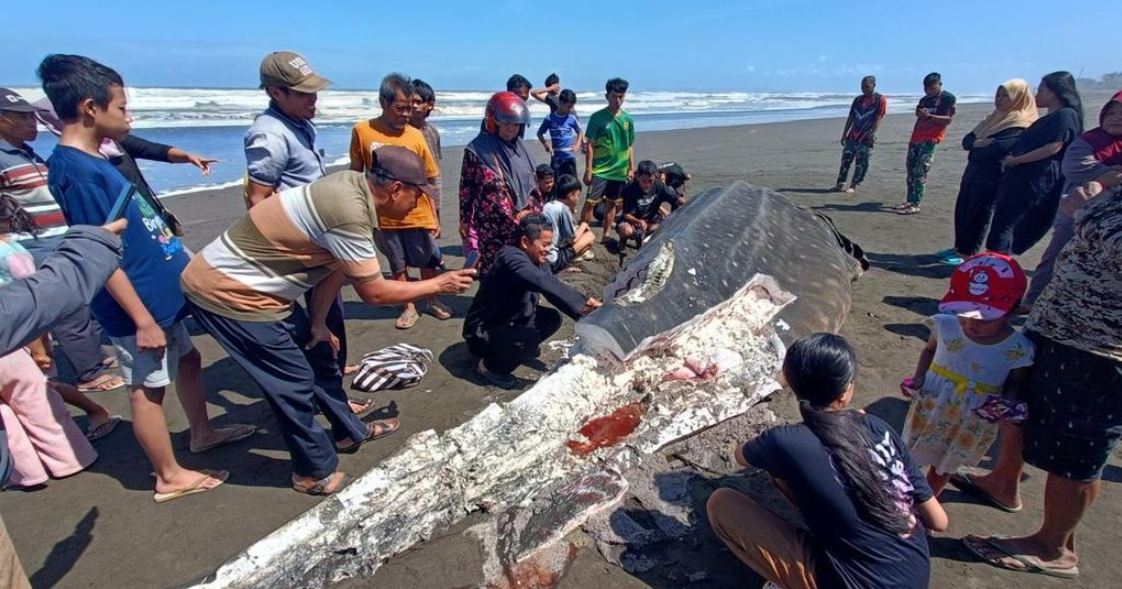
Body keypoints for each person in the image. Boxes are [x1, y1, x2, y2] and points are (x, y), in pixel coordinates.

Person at [182, 147, 475, 495]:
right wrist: (438, 284)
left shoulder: (354, 189)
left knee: (319, 352)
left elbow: (335, 265)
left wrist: (319, 323)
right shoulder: (349, 211)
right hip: (229, 292)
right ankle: (312, 472)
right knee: (292, 380)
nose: (418, 204)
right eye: (416, 195)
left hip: (262, 289)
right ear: (396, 188)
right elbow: (375, 294)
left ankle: (348, 431)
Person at [39, 53, 255, 503]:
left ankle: (202, 432)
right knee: (147, 388)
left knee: (190, 360)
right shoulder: (75, 172)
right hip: (136, 305)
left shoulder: (97, 159)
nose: (128, 116)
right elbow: (102, 255)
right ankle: (168, 475)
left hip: (161, 290)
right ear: (90, 108)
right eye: (121, 107)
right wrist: (141, 320)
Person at [961, 180, 1122, 580]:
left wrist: (1081, 212)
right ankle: (1002, 482)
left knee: (1078, 450)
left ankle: (1053, 548)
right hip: (1056, 325)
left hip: (1099, 347)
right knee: (1019, 409)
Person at [707, 333, 947, 589]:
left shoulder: (786, 441)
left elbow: (739, 456)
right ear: (845, 391)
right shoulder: (879, 428)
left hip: (855, 582)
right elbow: (939, 522)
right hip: (914, 574)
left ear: (789, 381)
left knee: (722, 503)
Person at [0, 218, 125, 589]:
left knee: (9, 415)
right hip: (17, 342)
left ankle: (28, 474)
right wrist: (94, 241)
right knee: (39, 403)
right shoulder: (13, 249)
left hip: (18, 336)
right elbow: (34, 297)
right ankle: (71, 459)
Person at [0, 88, 123, 393]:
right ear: (2, 120)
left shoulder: (25, 152)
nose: (34, 123)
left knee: (85, 299)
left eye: (32, 115)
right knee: (68, 310)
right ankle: (89, 373)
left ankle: (93, 355)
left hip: (59, 235)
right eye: (23, 117)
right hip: (33, 244)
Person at [901, 253, 1034, 497]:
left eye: (985, 318)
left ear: (1013, 310)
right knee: (911, 451)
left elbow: (1017, 381)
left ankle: (926, 502)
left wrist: (1010, 404)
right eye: (964, 314)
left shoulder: (1018, 347)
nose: (972, 324)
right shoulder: (945, 326)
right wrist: (918, 378)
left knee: (945, 463)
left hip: (973, 417)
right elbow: (930, 350)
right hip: (932, 404)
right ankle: (897, 493)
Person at [0, 196, 119, 441]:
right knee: (38, 385)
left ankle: (93, 411)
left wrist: (40, 347)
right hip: (22, 329)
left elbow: (33, 304)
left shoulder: (8, 254)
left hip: (26, 333)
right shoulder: (12, 248)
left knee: (44, 385)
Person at [349, 73, 446, 329]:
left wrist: (435, 214)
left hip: (416, 210)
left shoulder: (416, 135)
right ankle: (408, 306)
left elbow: (431, 176)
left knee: (426, 259)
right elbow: (354, 174)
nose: (406, 114)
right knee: (396, 261)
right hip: (383, 214)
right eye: (400, 108)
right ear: (383, 102)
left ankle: (431, 298)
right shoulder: (363, 131)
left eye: (409, 108)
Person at [463, 214, 600, 388]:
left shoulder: (536, 259)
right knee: (528, 336)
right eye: (544, 244)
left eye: (550, 244)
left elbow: (551, 288)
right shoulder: (510, 257)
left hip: (511, 318)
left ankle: (514, 349)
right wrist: (585, 301)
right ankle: (491, 367)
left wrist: (585, 313)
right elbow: (543, 281)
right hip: (482, 331)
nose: (548, 249)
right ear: (525, 242)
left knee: (552, 318)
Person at [1023, 91, 1122, 306]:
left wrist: (1104, 176)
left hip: (1116, 224)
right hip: (1078, 215)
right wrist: (1113, 175)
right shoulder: (1089, 140)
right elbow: (1075, 168)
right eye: (1111, 113)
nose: (1115, 118)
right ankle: (1032, 301)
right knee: (1056, 256)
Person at [936, 80, 1037, 266]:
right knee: (963, 209)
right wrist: (977, 144)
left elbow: (998, 148)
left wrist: (977, 146)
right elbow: (967, 141)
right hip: (973, 171)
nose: (999, 99)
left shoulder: (1020, 122)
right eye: (998, 94)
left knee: (979, 213)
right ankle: (958, 247)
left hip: (993, 175)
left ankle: (967, 253)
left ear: (1018, 97)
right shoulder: (993, 117)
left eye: (1005, 95)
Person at [984, 72, 1084, 255]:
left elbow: (1053, 147)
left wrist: (1016, 160)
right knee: (1004, 220)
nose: (1037, 95)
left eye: (1041, 90)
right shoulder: (1052, 116)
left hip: (1035, 179)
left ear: (1055, 92)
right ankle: (997, 259)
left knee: (1008, 222)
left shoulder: (1065, 115)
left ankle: (997, 263)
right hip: (1024, 176)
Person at [459, 92, 542, 277]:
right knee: (494, 267)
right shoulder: (477, 150)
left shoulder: (522, 149)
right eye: (506, 124)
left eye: (515, 124)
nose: (511, 129)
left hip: (522, 222)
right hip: (492, 224)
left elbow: (533, 186)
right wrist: (464, 220)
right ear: (493, 122)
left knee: (522, 265)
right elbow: (466, 188)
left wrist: (532, 214)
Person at [244, 50, 330, 207]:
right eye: (304, 93)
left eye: (314, 90)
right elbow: (257, 200)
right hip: (293, 229)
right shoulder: (270, 135)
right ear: (276, 92)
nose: (314, 97)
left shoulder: (300, 121)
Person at [582, 78, 635, 243]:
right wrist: (588, 169)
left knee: (612, 204)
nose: (617, 100)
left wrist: (631, 168)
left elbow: (630, 145)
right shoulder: (597, 117)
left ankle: (605, 235)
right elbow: (589, 145)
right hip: (600, 170)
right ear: (607, 96)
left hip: (619, 171)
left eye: (621, 96)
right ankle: (583, 233)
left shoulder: (628, 119)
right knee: (590, 202)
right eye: (614, 96)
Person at [895, 73, 956, 215]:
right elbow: (918, 113)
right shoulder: (924, 99)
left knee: (920, 170)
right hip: (916, 136)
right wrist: (920, 113)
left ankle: (916, 204)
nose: (928, 91)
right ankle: (909, 200)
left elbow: (948, 119)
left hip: (931, 138)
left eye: (931, 88)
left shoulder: (947, 98)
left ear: (939, 85)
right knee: (910, 168)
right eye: (926, 88)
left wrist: (930, 116)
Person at [834, 76, 888, 194]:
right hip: (853, 134)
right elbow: (851, 117)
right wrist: (844, 134)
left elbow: (879, 118)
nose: (864, 89)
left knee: (862, 162)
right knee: (845, 160)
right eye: (862, 86)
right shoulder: (858, 100)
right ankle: (840, 184)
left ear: (874, 85)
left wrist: (873, 133)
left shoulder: (880, 100)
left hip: (866, 135)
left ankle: (854, 185)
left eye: (867, 86)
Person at [616, 160, 684, 248]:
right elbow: (626, 214)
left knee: (662, 227)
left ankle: (644, 240)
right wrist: (638, 221)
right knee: (626, 231)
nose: (647, 184)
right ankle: (623, 240)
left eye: (650, 181)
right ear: (638, 177)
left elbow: (676, 198)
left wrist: (690, 205)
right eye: (644, 181)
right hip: (632, 220)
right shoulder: (629, 190)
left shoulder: (659, 185)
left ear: (655, 176)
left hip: (650, 219)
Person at [542, 174, 595, 273]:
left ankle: (573, 256)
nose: (578, 199)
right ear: (570, 195)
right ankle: (571, 259)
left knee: (578, 231)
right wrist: (584, 225)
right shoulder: (563, 209)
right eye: (578, 195)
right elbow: (572, 240)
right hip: (553, 258)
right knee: (590, 237)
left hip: (543, 253)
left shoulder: (548, 204)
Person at [537, 89, 583, 180]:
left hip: (569, 157)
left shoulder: (571, 118)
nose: (570, 110)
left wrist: (578, 144)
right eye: (568, 107)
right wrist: (546, 144)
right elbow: (540, 133)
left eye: (572, 107)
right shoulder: (550, 118)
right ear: (561, 103)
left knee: (572, 183)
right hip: (556, 157)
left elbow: (580, 131)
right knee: (556, 184)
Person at [410, 78, 442, 201]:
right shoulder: (400, 132)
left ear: (430, 105)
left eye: (418, 102)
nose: (414, 106)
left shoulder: (432, 131)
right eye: (411, 101)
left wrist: (436, 196)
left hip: (430, 191)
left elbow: (435, 165)